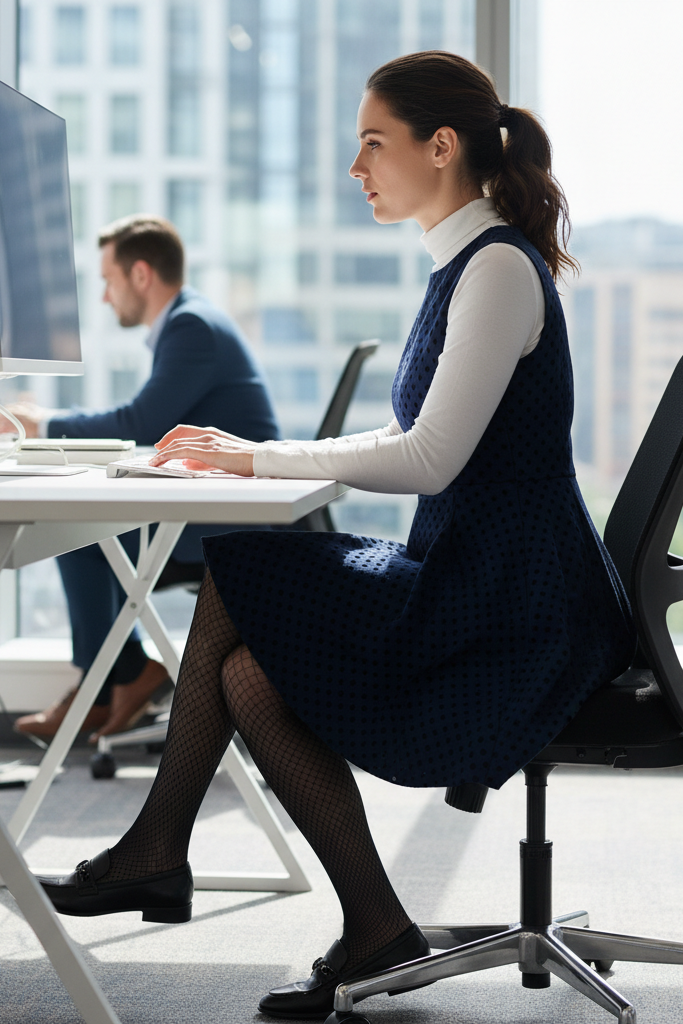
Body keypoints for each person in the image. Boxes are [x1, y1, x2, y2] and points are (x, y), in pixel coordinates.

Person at [40, 52, 636, 1020]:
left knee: (242, 563)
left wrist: (253, 459)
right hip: (469, 575)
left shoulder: (493, 270)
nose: (354, 168)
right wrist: (264, 456)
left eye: (371, 143)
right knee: (243, 674)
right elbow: (415, 442)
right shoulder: (463, 262)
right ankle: (366, 924)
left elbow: (429, 457)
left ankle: (158, 849)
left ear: (438, 147)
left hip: (511, 607)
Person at [12, 215, 279, 742]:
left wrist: (41, 423)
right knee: (86, 531)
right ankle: (117, 679)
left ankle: (119, 677)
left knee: (77, 536)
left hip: (231, 522)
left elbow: (142, 423)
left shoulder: (191, 326)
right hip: (219, 504)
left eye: (108, 281)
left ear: (140, 274)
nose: (107, 298)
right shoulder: (189, 321)